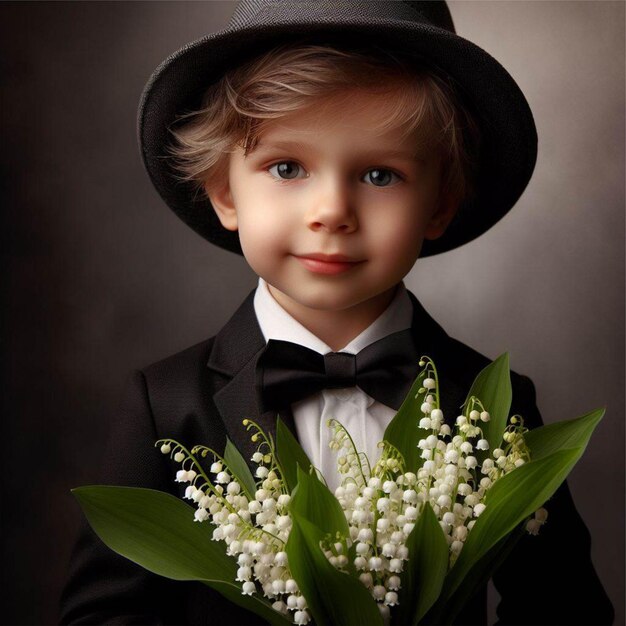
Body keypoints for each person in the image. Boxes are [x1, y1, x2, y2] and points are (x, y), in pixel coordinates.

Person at [59, 1, 614, 624]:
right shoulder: (165, 403)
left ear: (440, 204)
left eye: (381, 174)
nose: (332, 211)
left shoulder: (491, 405)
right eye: (287, 167)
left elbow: (566, 607)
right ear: (223, 191)